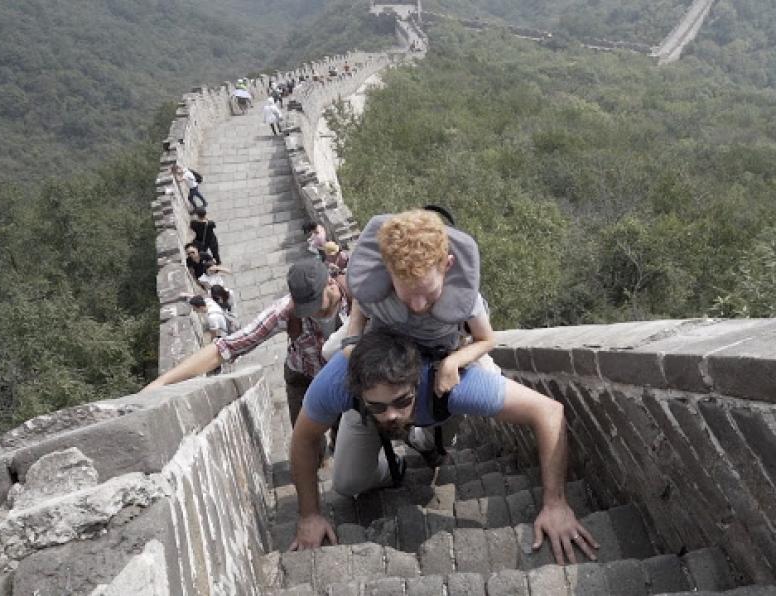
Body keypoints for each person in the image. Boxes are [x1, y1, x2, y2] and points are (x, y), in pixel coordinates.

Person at [288, 209, 597, 565]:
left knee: (467, 391)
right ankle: (387, 447)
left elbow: (547, 408)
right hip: (374, 361)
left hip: (443, 366)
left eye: (428, 297)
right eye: (408, 297)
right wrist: (309, 514)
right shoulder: (369, 307)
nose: (418, 308)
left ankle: (426, 434)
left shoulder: (463, 310)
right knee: (346, 483)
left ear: (448, 265)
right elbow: (303, 435)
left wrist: (555, 504)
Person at [142, 259, 348, 426]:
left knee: (342, 429)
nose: (311, 312)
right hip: (304, 376)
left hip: (345, 377)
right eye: (305, 307)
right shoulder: (286, 311)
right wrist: (161, 383)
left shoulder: (358, 295)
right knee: (307, 440)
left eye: (315, 305)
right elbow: (226, 348)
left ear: (330, 283)